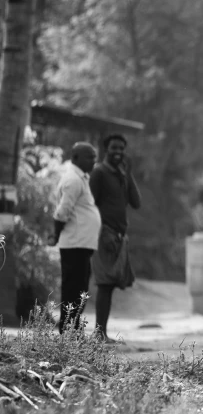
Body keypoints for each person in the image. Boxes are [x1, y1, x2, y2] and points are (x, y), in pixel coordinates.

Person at [89, 133, 141, 342]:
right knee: (104, 283)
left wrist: (128, 174)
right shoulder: (99, 173)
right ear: (106, 150)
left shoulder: (121, 174)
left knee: (110, 285)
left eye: (121, 148)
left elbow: (136, 203)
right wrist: (102, 231)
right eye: (114, 148)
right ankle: (99, 333)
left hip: (119, 236)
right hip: (104, 234)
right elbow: (90, 204)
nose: (118, 152)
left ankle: (102, 333)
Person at [51, 142, 102, 333]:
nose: (93, 162)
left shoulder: (81, 178)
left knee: (80, 287)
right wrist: (56, 234)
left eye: (95, 158)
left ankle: (73, 324)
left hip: (81, 243)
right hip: (74, 243)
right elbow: (63, 211)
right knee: (73, 287)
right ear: (75, 158)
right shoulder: (72, 179)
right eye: (90, 157)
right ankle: (67, 327)